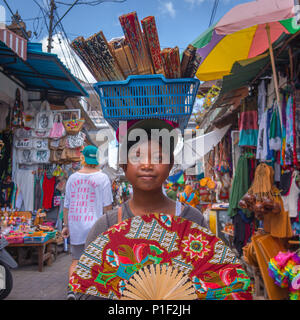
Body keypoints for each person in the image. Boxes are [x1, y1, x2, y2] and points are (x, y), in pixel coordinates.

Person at [85, 119, 208, 250]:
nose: (147, 165)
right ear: (124, 164)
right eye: (136, 157)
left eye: (158, 158)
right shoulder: (106, 226)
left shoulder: (193, 220)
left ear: (170, 164)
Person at [61, 145, 113, 299]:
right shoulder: (102, 178)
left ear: (82, 158)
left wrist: (66, 226)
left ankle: (72, 290)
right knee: (96, 260)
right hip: (96, 227)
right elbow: (107, 207)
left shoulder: (72, 178)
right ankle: (92, 289)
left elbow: (66, 206)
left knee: (76, 260)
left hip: (76, 226)